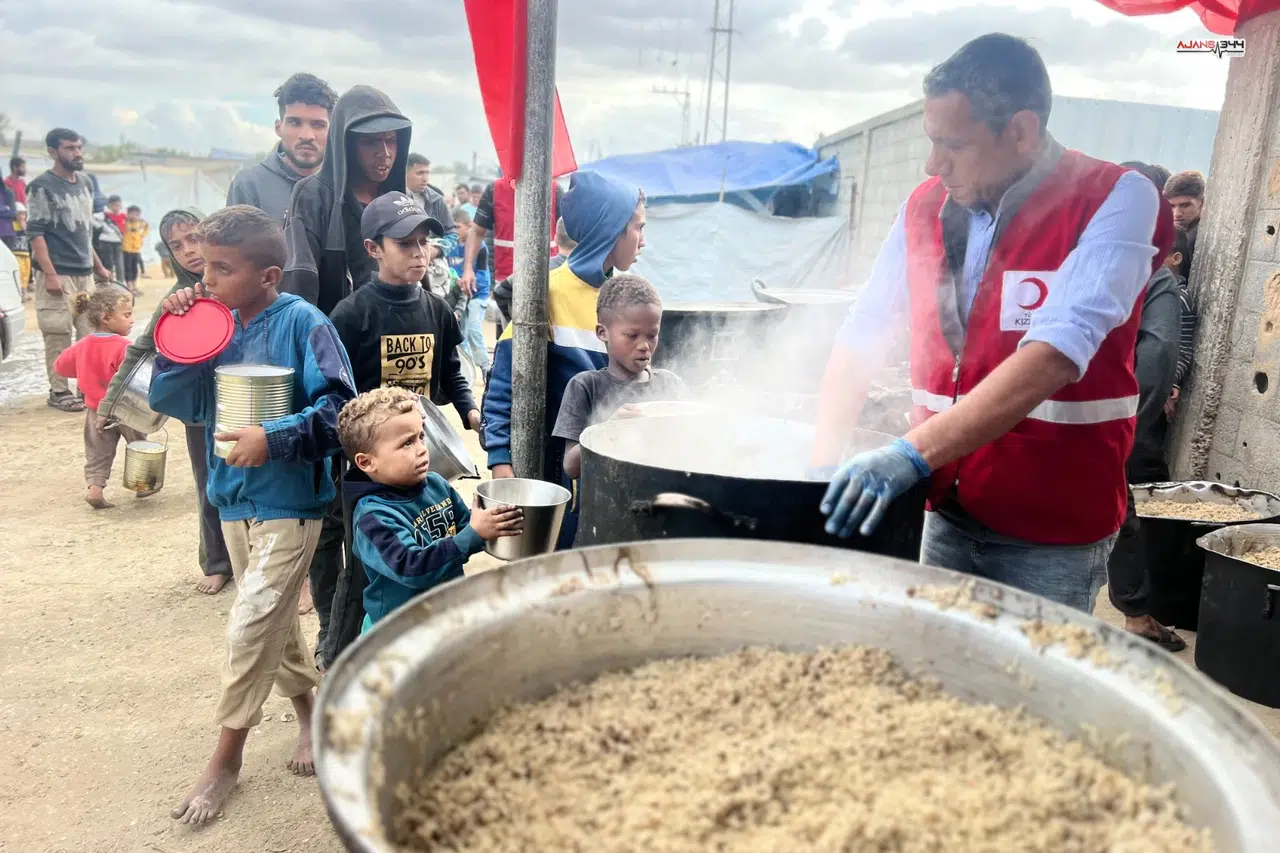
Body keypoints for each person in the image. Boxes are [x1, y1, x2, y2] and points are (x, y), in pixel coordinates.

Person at [811, 34, 1172, 614]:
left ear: (1022, 131)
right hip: (945, 507)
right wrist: (822, 465)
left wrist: (907, 454)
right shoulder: (924, 206)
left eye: (952, 144)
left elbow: (1056, 349)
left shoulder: (1117, 198)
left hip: (1052, 531)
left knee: (1032, 690)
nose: (934, 164)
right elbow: (865, 328)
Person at [148, 205, 356, 824]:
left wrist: (275, 435)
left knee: (251, 622)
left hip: (291, 499)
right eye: (201, 265)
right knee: (277, 626)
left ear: (268, 275)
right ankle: (309, 715)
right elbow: (174, 402)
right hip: (232, 496)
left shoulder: (305, 324)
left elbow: (340, 409)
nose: (204, 279)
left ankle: (226, 759)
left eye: (220, 269)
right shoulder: (214, 325)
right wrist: (178, 341)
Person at [325, 192, 481, 664]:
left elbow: (450, 368)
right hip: (368, 464)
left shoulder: (435, 309)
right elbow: (334, 388)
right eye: (405, 244)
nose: (420, 253)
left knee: (427, 530)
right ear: (374, 249)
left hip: (417, 449)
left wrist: (470, 410)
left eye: (425, 243)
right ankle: (338, 656)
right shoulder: (352, 314)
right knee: (362, 570)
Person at [482, 171, 646, 548]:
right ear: (611, 229)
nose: (644, 241)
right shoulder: (547, 294)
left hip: (612, 476)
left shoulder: (626, 301)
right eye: (638, 227)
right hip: (558, 477)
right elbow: (504, 383)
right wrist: (501, 464)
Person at [101, 207, 235, 594]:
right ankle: (216, 561)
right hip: (197, 409)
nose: (189, 251)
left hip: (243, 398)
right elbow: (140, 350)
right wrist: (109, 404)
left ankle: (263, 557)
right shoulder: (175, 299)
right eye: (177, 245)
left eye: (195, 238)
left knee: (257, 478)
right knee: (207, 483)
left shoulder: (239, 281)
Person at [338, 387, 523, 631]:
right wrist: (474, 534)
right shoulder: (373, 517)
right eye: (406, 443)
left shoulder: (436, 484)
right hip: (397, 631)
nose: (421, 448)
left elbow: (467, 525)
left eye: (421, 437)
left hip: (443, 616)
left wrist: (497, 522)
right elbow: (412, 567)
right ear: (366, 462)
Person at [1101, 162, 1187, 650]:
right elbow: (1155, 361)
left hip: (1031, 420)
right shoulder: (1154, 276)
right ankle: (1135, 616)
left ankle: (1136, 613)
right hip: (1108, 422)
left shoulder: (1066, 255)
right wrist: (1126, 428)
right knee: (1116, 511)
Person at [282, 85, 416, 315]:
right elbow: (301, 281)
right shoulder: (312, 195)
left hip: (392, 335)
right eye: (371, 141)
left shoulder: (403, 202)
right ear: (346, 144)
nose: (384, 152)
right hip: (334, 335)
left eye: (391, 140)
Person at [554, 273, 687, 481]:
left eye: (652, 335)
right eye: (632, 336)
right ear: (602, 332)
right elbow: (571, 467)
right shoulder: (586, 387)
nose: (644, 345)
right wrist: (609, 430)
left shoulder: (670, 384)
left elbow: (693, 445)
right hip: (606, 507)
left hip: (663, 502)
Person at [27, 127, 118, 413]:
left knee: (90, 332)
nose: (77, 153)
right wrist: (50, 273)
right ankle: (58, 390)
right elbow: (36, 233)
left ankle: (85, 388)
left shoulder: (86, 183)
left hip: (84, 272)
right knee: (57, 332)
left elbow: (84, 232)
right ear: (52, 152)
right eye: (69, 148)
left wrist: (100, 266)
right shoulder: (41, 186)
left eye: (79, 147)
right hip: (57, 273)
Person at [53, 287, 144, 509]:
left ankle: (95, 489)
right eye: (127, 315)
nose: (131, 320)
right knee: (139, 446)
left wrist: (86, 370)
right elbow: (135, 376)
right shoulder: (125, 347)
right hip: (126, 409)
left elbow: (60, 367)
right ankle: (144, 485)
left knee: (97, 452)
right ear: (106, 318)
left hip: (95, 411)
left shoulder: (83, 345)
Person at [227, 72, 338, 225]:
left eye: (318, 125)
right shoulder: (248, 186)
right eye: (295, 123)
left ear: (332, 131)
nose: (307, 136)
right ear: (279, 128)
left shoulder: (344, 186)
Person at [461, 178, 563, 297]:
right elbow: (477, 231)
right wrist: (468, 268)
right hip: (506, 282)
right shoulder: (495, 189)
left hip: (548, 280)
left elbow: (568, 234)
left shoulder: (555, 190)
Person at [448, 207, 491, 381]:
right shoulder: (451, 246)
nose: (456, 231)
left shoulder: (480, 248)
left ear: (468, 226)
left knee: (474, 330)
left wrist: (467, 282)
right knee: (461, 335)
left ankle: (486, 367)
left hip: (477, 294)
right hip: (460, 295)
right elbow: (449, 270)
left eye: (458, 227)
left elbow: (482, 274)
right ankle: (466, 372)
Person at [405, 153, 457, 251]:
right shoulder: (393, 197)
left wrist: (436, 251)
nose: (425, 178)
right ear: (405, 173)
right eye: (420, 173)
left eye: (427, 173)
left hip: (432, 262)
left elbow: (452, 235)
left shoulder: (436, 200)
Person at [1163, 170, 1205, 249]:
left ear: (1202, 203)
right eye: (1171, 206)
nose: (1177, 214)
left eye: (1185, 205)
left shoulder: (1196, 239)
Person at [95, 197, 126, 287]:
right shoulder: (103, 215)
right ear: (108, 205)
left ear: (121, 206)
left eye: (118, 205)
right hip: (105, 242)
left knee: (120, 264)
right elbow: (92, 220)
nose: (116, 207)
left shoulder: (123, 216)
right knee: (108, 264)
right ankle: (109, 283)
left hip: (118, 243)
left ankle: (121, 284)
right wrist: (101, 228)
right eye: (113, 205)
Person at [123, 205, 149, 290]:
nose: (134, 216)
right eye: (132, 214)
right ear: (128, 214)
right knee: (128, 267)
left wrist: (142, 236)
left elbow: (147, 227)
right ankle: (129, 285)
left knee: (135, 268)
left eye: (137, 215)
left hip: (136, 249)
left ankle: (134, 285)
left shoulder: (140, 223)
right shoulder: (125, 222)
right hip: (126, 249)